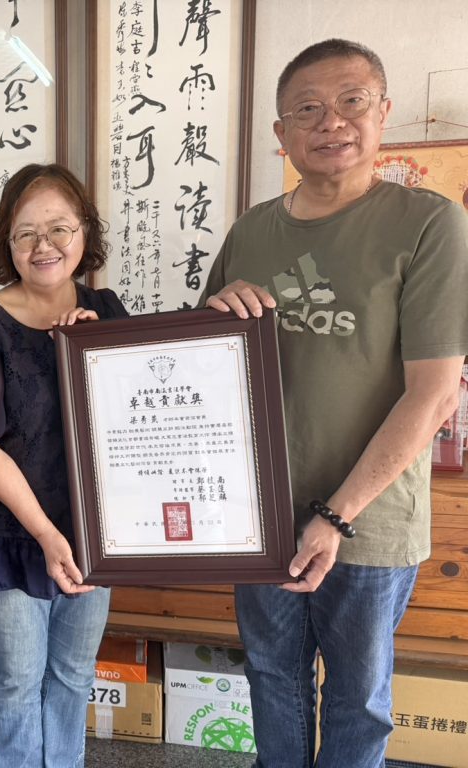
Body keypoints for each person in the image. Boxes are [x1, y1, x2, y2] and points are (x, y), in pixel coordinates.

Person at [202, 39, 468, 768]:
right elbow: (199, 368)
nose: (331, 122)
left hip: (369, 521)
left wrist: (337, 515)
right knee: (272, 680)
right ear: (280, 132)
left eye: (352, 101)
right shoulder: (251, 230)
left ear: (383, 113)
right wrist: (217, 312)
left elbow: (434, 391)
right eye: (308, 109)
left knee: (358, 696)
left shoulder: (429, 223)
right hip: (260, 515)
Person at [0, 163, 127, 768]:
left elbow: (139, 417)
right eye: (25, 232)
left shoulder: (105, 309)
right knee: (17, 679)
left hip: (94, 532)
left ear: (84, 233)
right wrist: (47, 536)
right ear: (8, 242)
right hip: (13, 533)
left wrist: (99, 351)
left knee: (73, 673)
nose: (43, 245)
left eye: (59, 228)